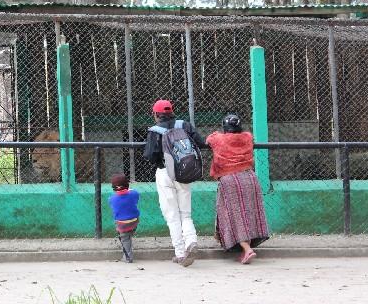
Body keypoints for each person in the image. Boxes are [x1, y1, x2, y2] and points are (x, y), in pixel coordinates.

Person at [143, 99, 205, 267]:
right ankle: (191, 241)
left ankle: (179, 253)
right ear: (171, 111)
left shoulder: (155, 131)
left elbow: (149, 156)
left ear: (156, 114)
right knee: (185, 213)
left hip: (165, 173)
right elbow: (200, 142)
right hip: (184, 173)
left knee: (172, 215)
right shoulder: (184, 125)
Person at [206, 113, 270, 264]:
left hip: (230, 180)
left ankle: (247, 249)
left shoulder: (218, 139)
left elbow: (209, 138)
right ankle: (243, 246)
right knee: (249, 212)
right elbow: (249, 137)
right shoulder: (247, 137)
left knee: (233, 215)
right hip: (249, 178)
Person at [108, 173, 140, 263]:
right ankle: (128, 235)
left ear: (113, 187)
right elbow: (136, 197)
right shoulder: (134, 193)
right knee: (128, 234)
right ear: (127, 185)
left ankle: (128, 257)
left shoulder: (112, 198)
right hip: (134, 221)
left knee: (124, 238)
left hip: (122, 224)